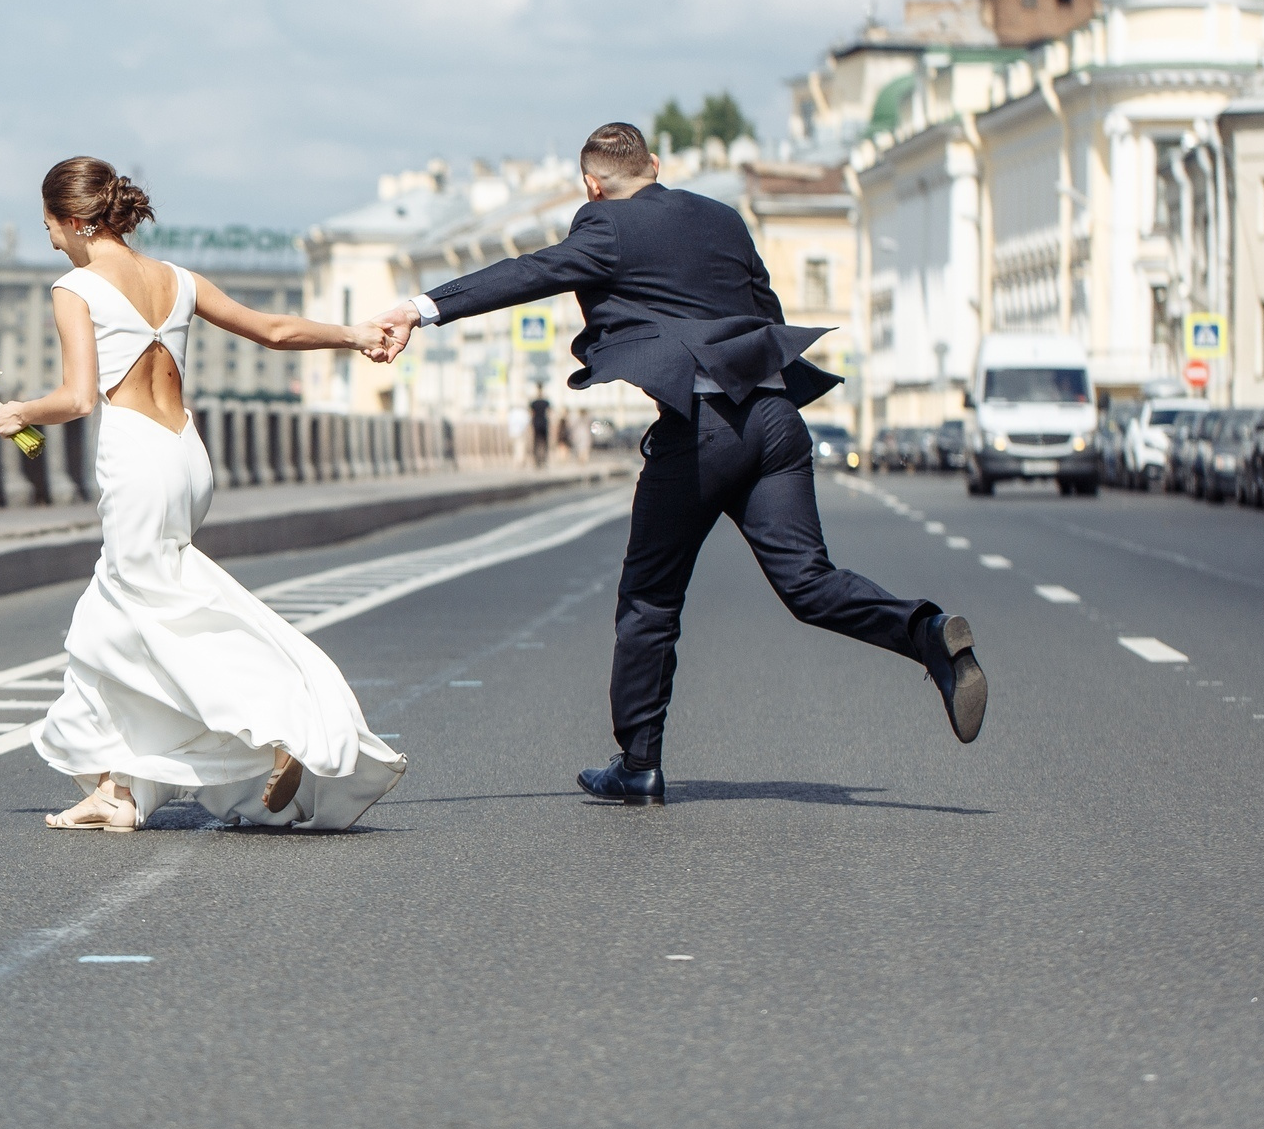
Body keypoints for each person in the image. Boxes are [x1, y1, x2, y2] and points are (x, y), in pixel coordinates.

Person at [369, 122, 987, 806]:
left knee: (650, 597)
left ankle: (638, 761)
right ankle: (925, 630)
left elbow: (528, 272)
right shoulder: (724, 218)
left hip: (700, 431)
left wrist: (420, 310)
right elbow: (767, 313)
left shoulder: (604, 225)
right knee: (810, 581)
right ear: (656, 165)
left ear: (592, 185)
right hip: (776, 417)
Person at [0, 157, 405, 831]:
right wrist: (353, 334)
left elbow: (79, 396)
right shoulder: (176, 279)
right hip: (186, 453)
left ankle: (276, 733)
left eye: (50, 229)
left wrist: (18, 412)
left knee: (154, 618)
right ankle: (116, 789)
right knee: (111, 620)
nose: (53, 243)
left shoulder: (76, 287)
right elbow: (271, 329)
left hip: (138, 460)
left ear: (74, 220)